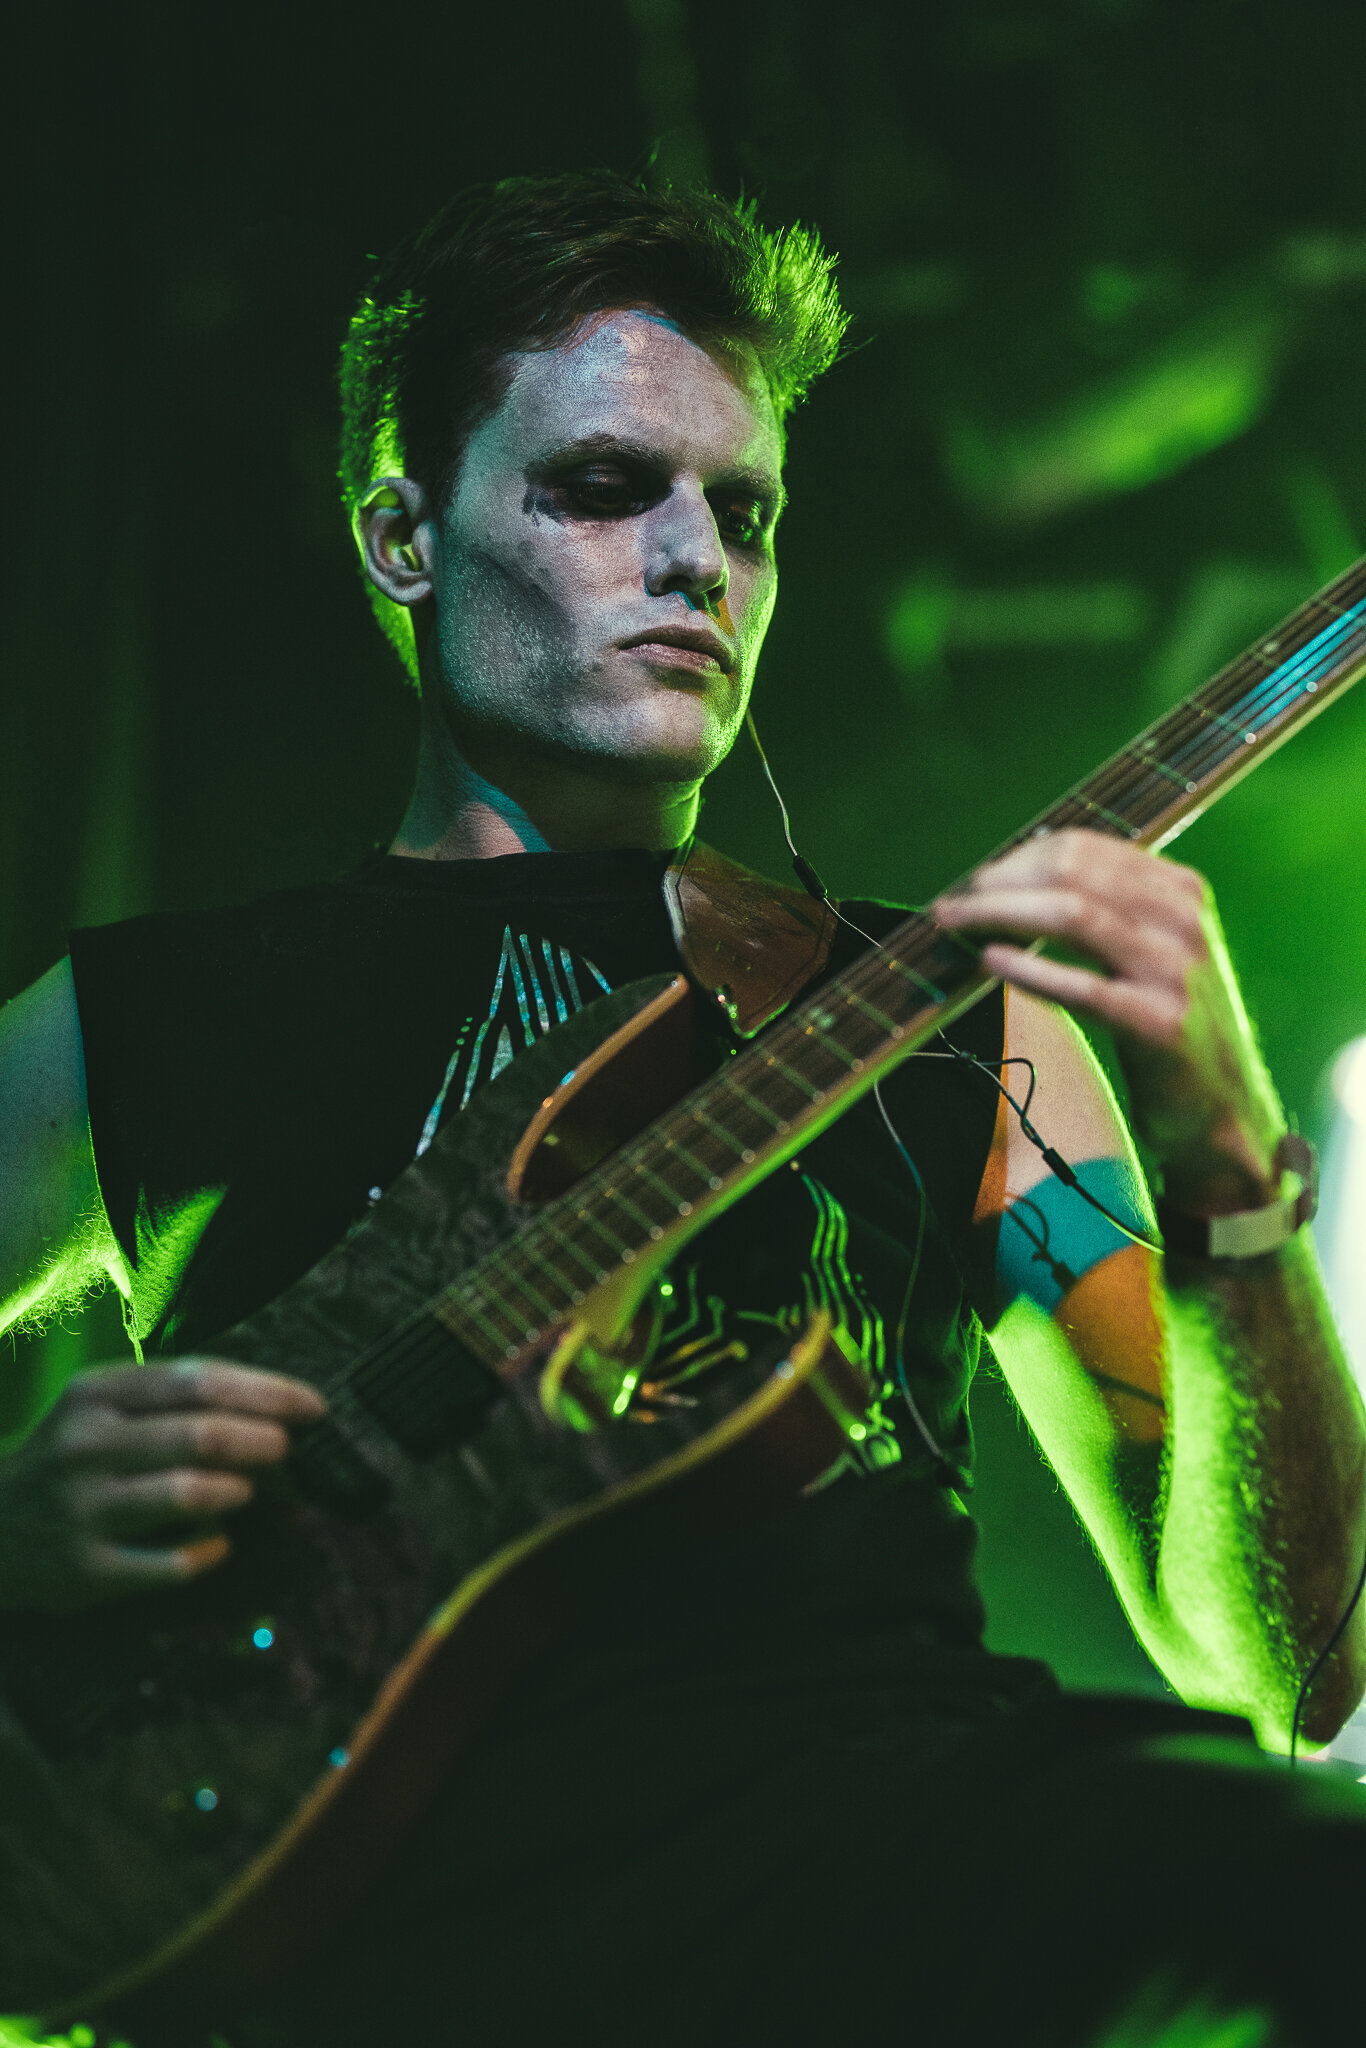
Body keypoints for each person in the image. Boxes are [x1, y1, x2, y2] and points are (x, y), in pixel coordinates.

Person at [2, 171, 1365, 2047]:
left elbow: (1288, 1666)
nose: (695, 560)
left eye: (744, 511)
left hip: (905, 1865)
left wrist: (1230, 1179)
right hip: (355, 1909)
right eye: (601, 487)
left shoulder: (963, 1021)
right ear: (401, 537)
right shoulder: (144, 1019)